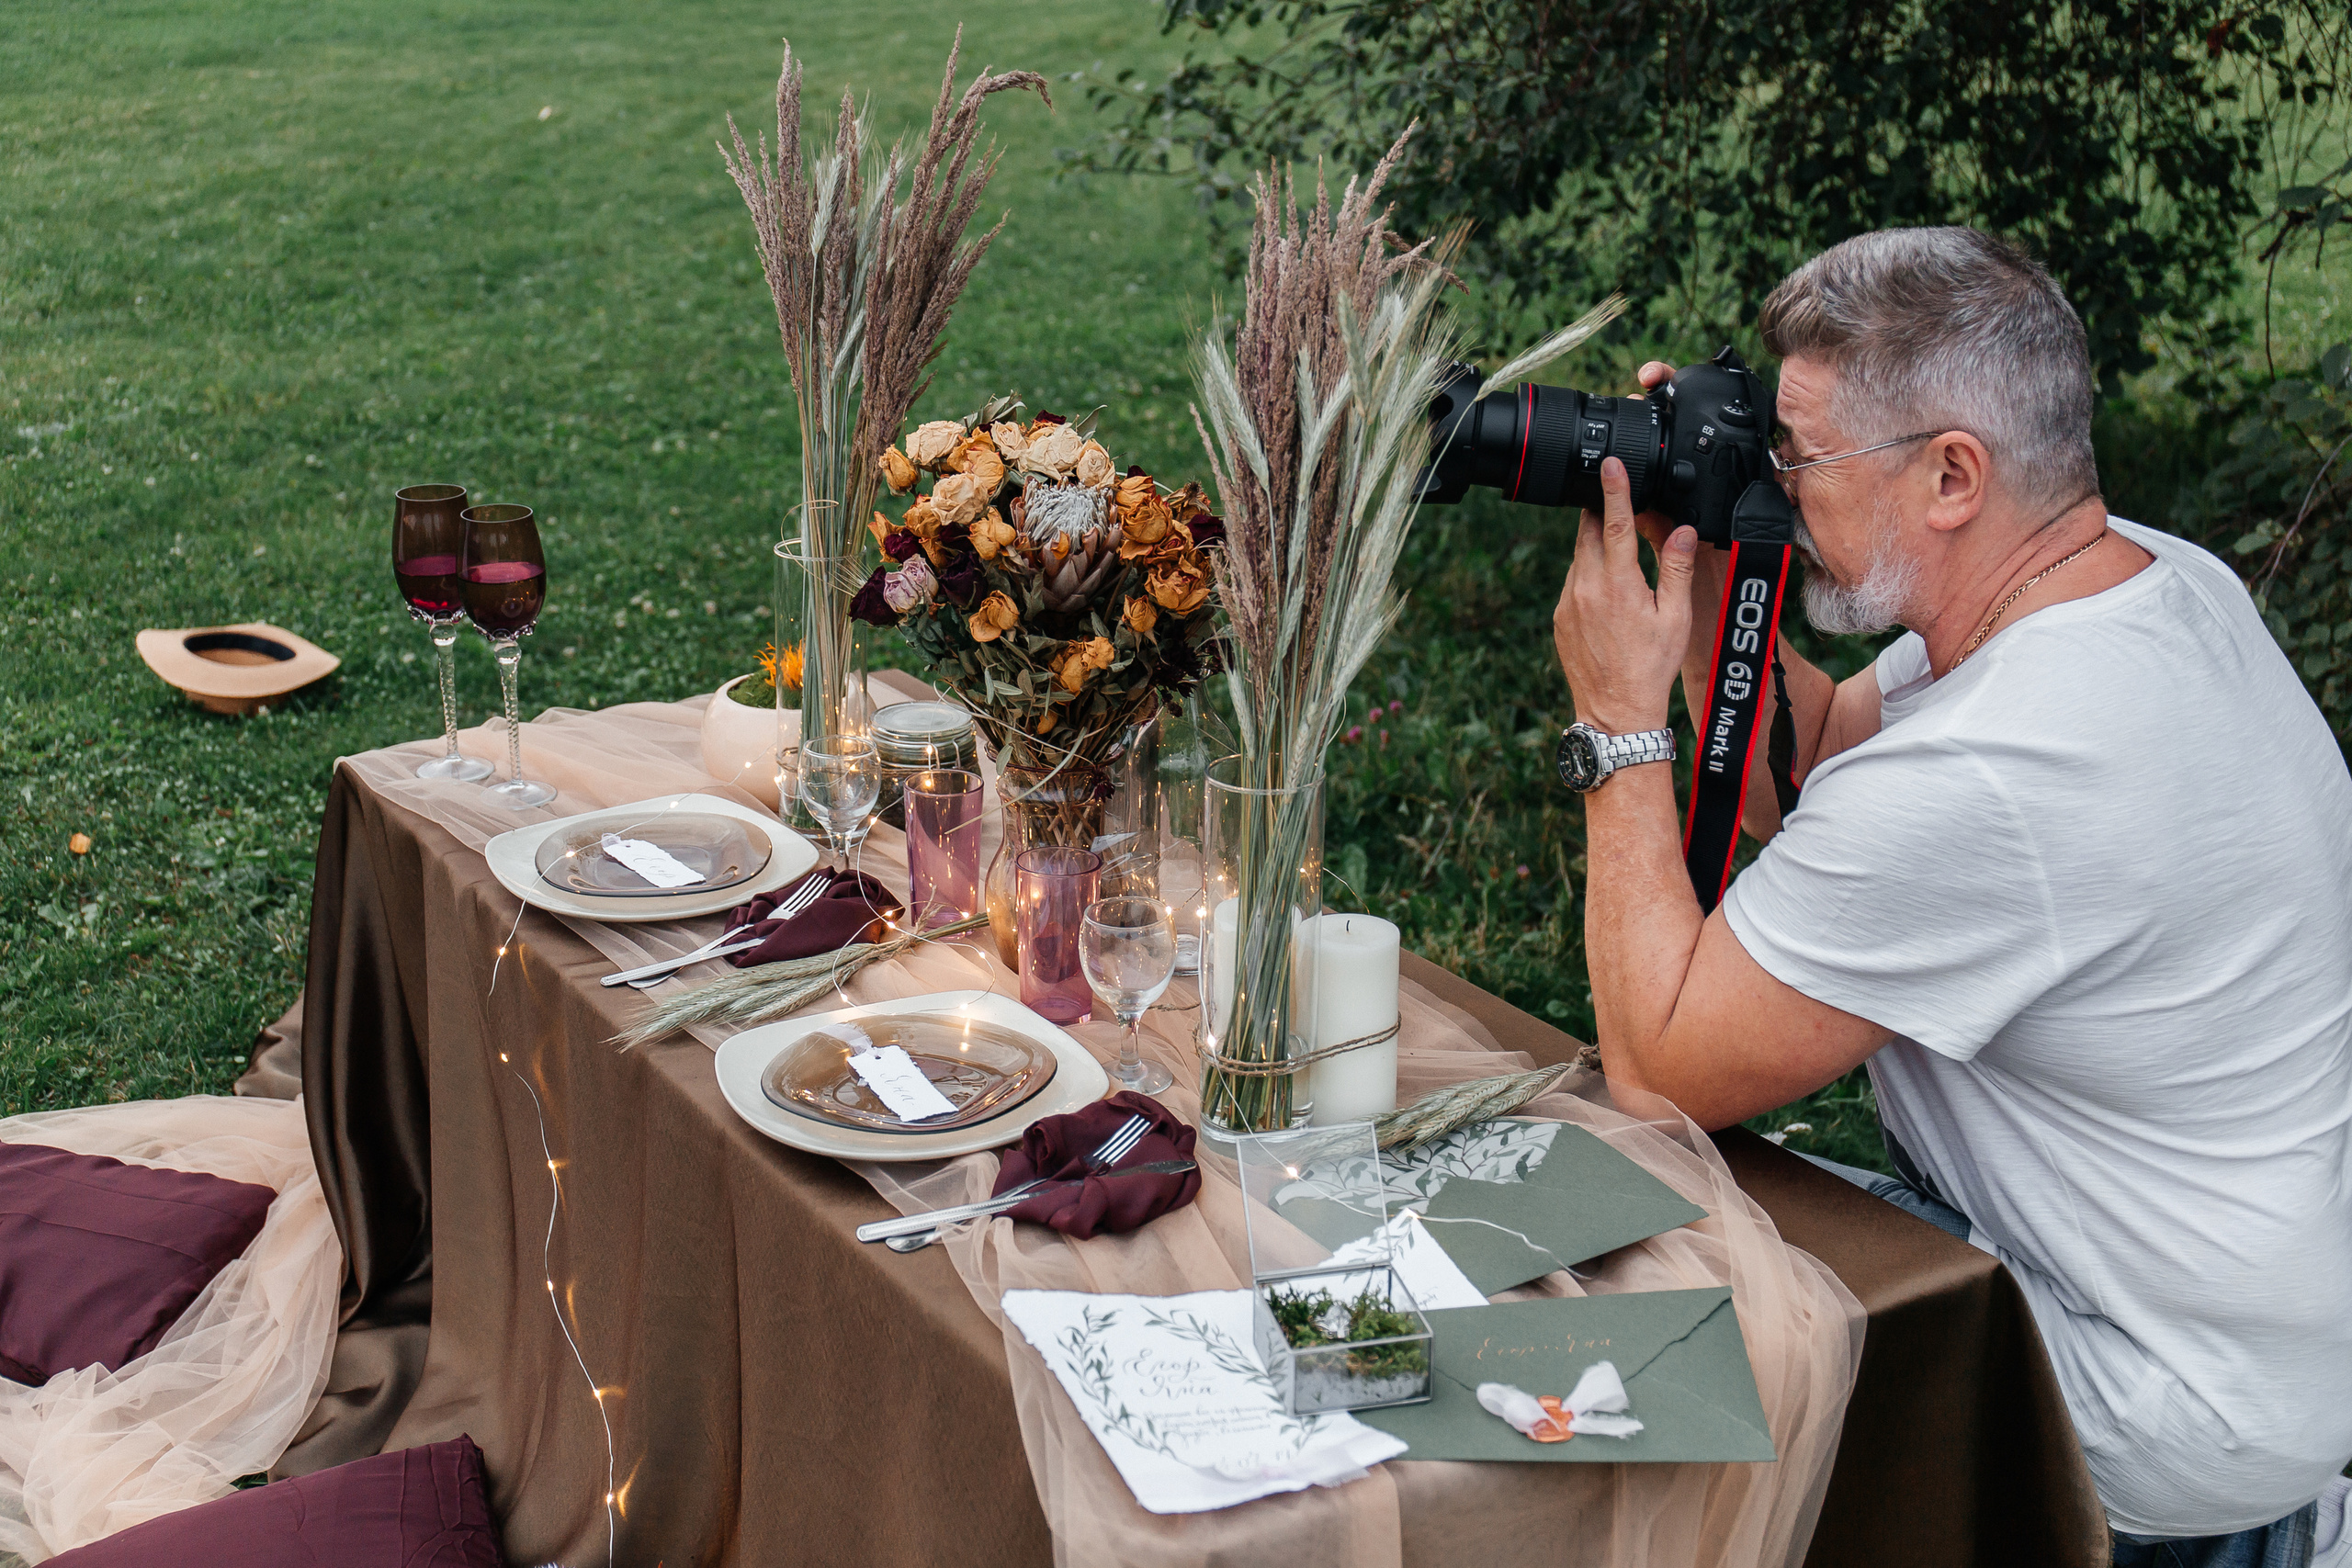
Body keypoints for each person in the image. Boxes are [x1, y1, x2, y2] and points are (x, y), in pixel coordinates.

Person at [1548, 225, 2352, 1566]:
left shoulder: (2009, 772)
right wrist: (1695, 580)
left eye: (1797, 457)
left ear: (1953, 477)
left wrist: (1617, 720)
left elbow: (1659, 1067)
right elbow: (1817, 768)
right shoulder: (2135, 588)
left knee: (1613, 1314)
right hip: (2253, 1342)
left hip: (2143, 1414)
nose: (1779, 483)